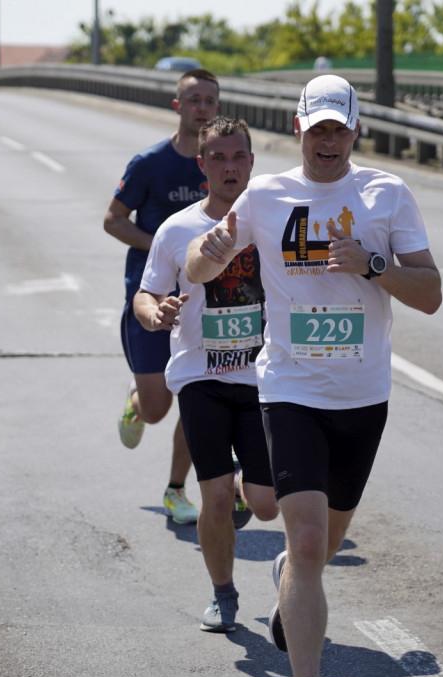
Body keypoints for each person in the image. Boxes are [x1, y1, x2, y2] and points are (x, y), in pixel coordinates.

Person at [185, 74, 442, 677]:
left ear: (356, 130)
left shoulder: (387, 193)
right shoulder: (266, 196)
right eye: (317, 128)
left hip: (362, 395)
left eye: (339, 128)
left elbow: (430, 295)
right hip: (290, 389)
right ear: (298, 128)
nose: (328, 140)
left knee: (318, 550)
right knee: (305, 541)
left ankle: (288, 584)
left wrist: (374, 264)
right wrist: (214, 251)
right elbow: (196, 267)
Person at [134, 116, 279, 633]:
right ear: (202, 166)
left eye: (238, 156)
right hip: (201, 376)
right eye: (217, 157)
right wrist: (155, 314)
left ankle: (247, 490)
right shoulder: (178, 229)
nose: (229, 166)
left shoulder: (275, 222)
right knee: (212, 496)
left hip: (265, 380)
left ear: (252, 163)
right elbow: (146, 292)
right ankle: (223, 595)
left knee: (265, 506)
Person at [103, 68, 219, 525]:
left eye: (210, 100)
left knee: (197, 399)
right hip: (150, 302)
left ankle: (176, 490)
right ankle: (136, 400)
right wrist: (165, 246)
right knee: (156, 410)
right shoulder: (150, 163)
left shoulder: (223, 164)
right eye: (194, 100)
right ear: (178, 106)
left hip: (205, 307)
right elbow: (113, 220)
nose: (202, 108)